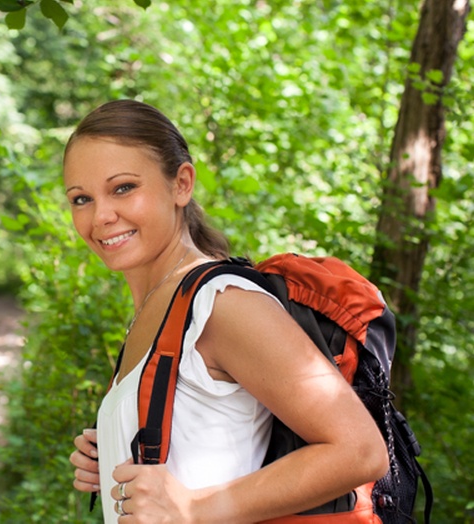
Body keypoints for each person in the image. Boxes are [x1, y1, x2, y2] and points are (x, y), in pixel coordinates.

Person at [65, 100, 389, 523]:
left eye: (123, 188)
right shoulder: (159, 306)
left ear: (182, 184)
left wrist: (196, 508)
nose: (101, 215)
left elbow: (361, 451)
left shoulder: (222, 304)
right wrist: (112, 447)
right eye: (81, 198)